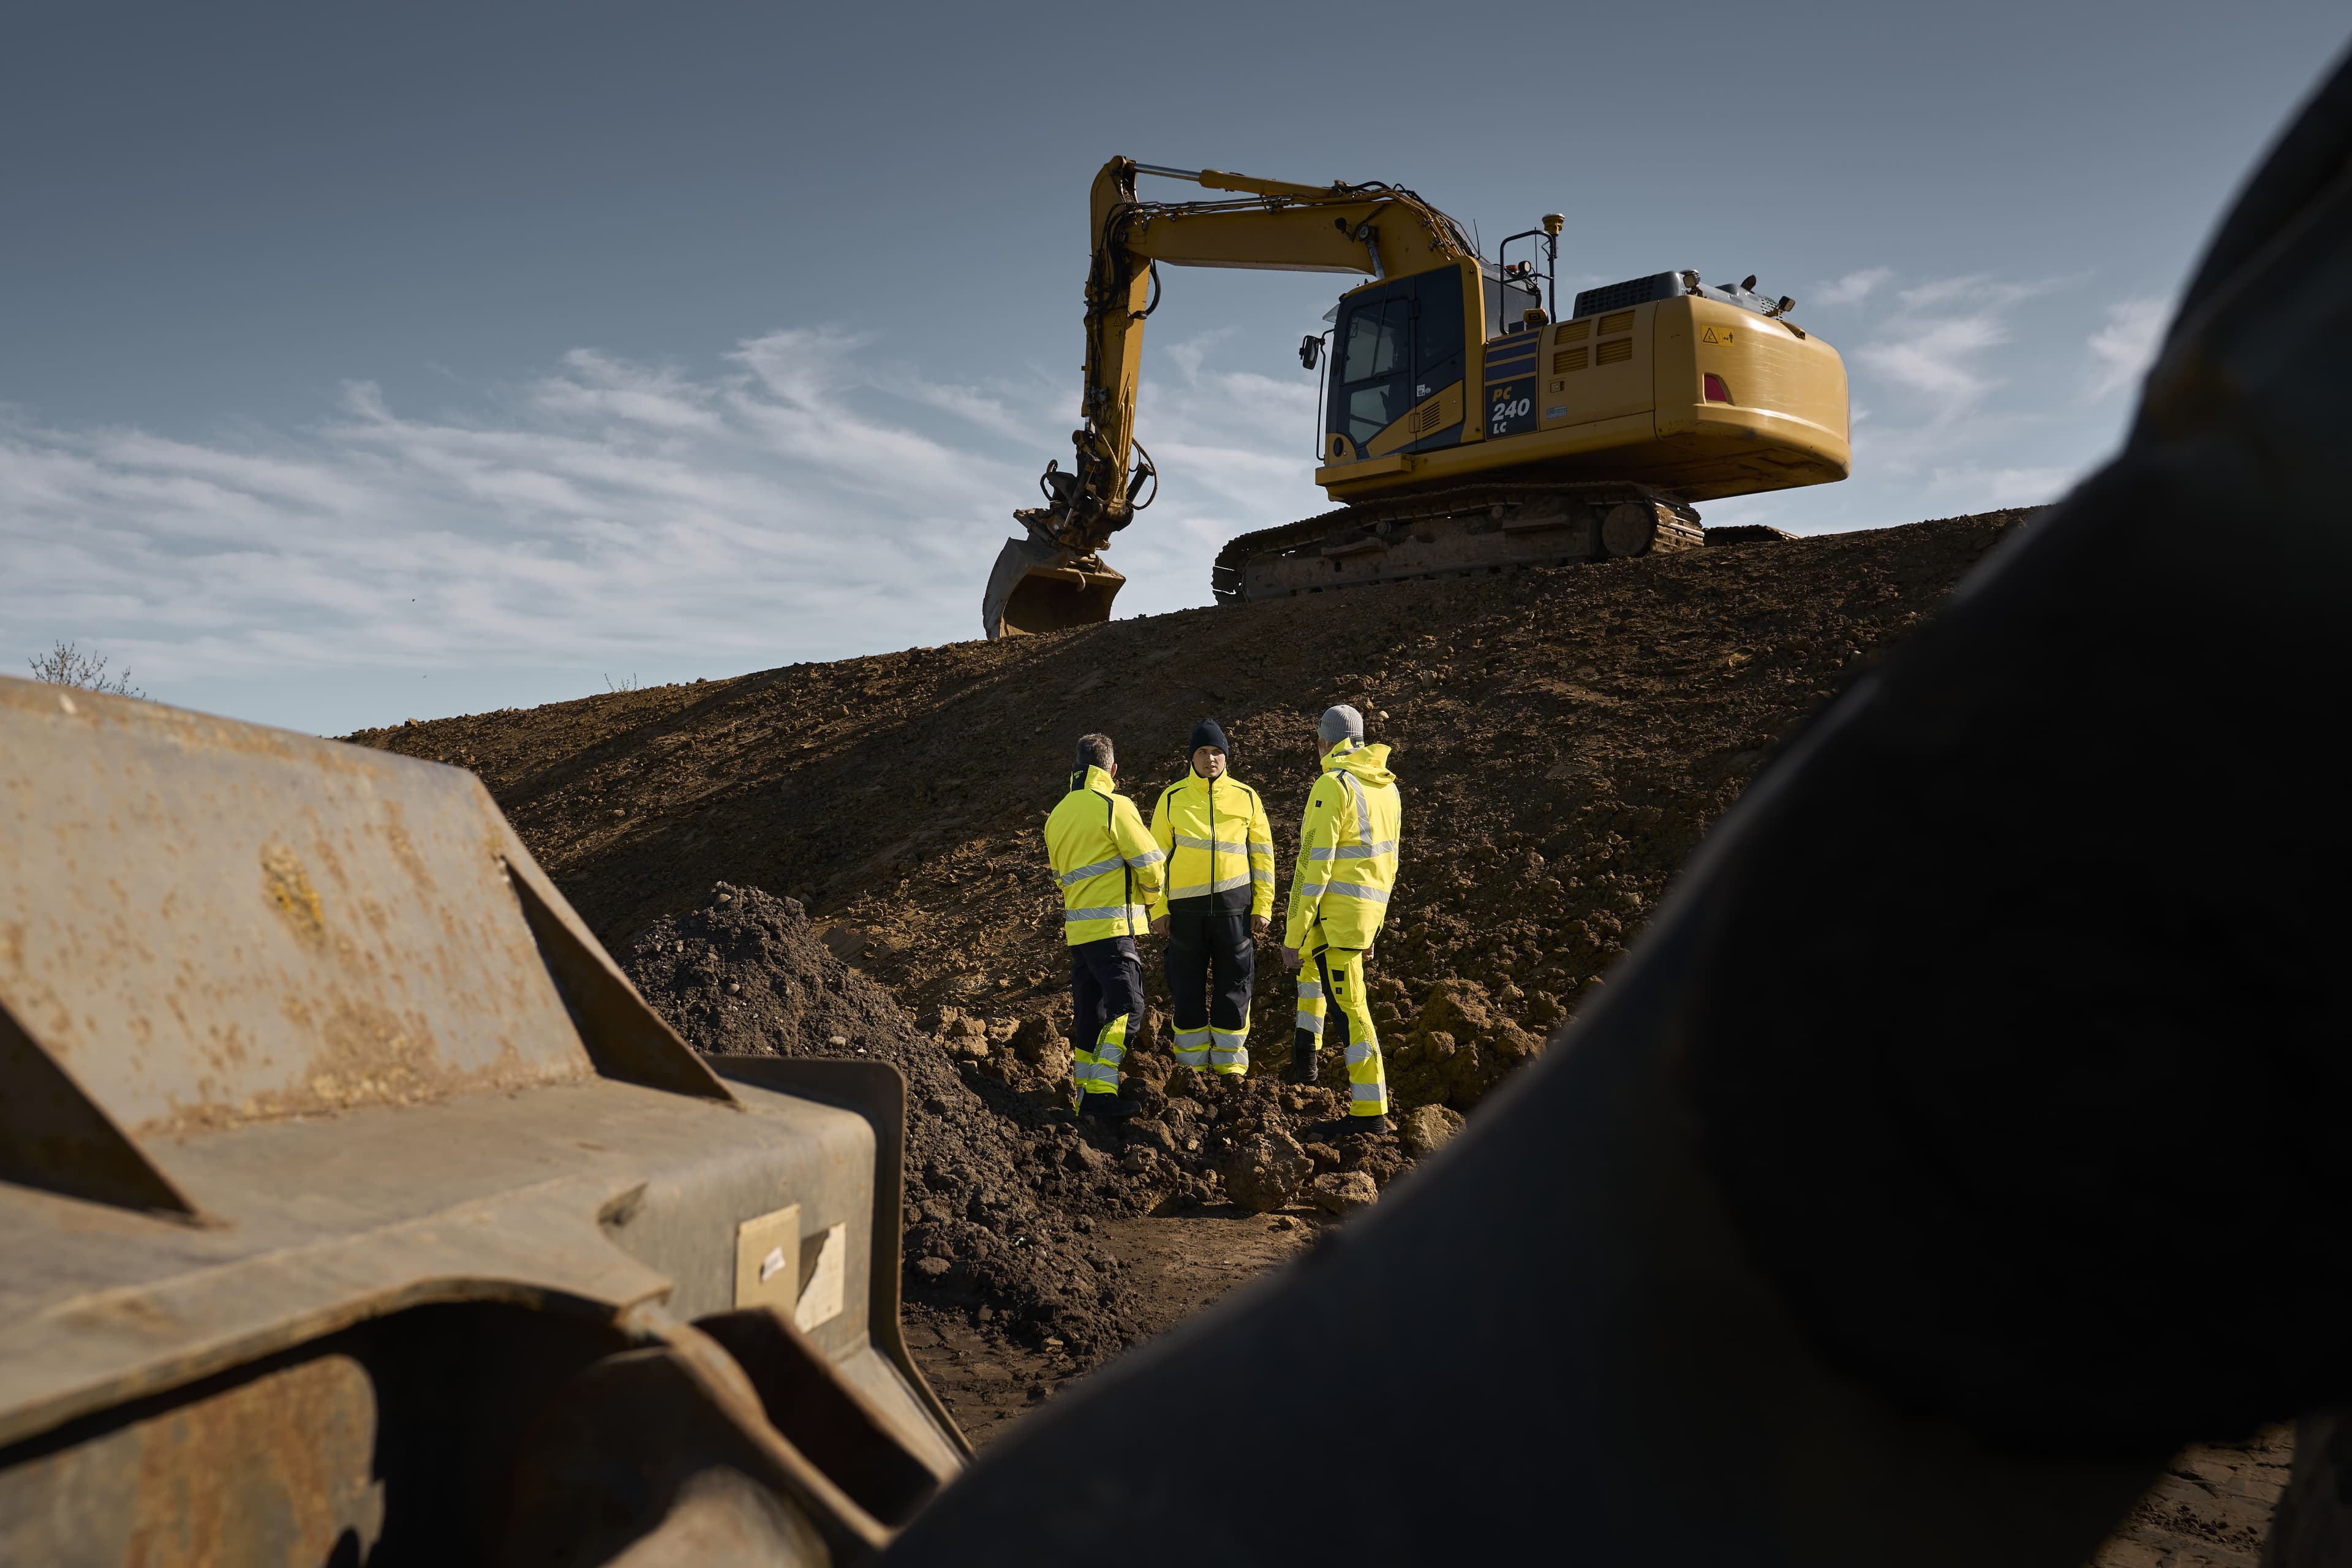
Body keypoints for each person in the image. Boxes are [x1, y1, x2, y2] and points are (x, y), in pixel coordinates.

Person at [1283, 704, 1403, 1131]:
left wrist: (1292, 934)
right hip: (1359, 920)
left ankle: (1370, 1113)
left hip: (1334, 920)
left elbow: (1310, 869)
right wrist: (1373, 928)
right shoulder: (1387, 787)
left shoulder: (1332, 786)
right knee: (1315, 979)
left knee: (1351, 1010)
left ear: (1324, 742)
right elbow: (1387, 866)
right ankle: (1305, 1062)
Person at [1145, 719, 1274, 1081]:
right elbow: (1154, 862)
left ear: (1226, 757)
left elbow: (1263, 856)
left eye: (1217, 751)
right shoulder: (1171, 799)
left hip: (1236, 911)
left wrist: (1263, 906)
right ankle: (1191, 1068)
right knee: (1185, 986)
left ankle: (1230, 1067)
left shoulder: (1247, 797)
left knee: (1235, 984)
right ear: (1191, 758)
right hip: (1185, 914)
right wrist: (1158, 909)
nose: (1211, 758)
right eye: (1203, 752)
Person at [1046, 733, 1165, 1118]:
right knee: (1128, 1008)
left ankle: (1085, 1096)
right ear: (1112, 769)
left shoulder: (1057, 815)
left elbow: (1062, 874)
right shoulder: (1115, 805)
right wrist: (1150, 898)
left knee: (1090, 1014)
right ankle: (1099, 1090)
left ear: (1076, 769)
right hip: (1114, 930)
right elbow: (1151, 865)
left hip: (1079, 936)